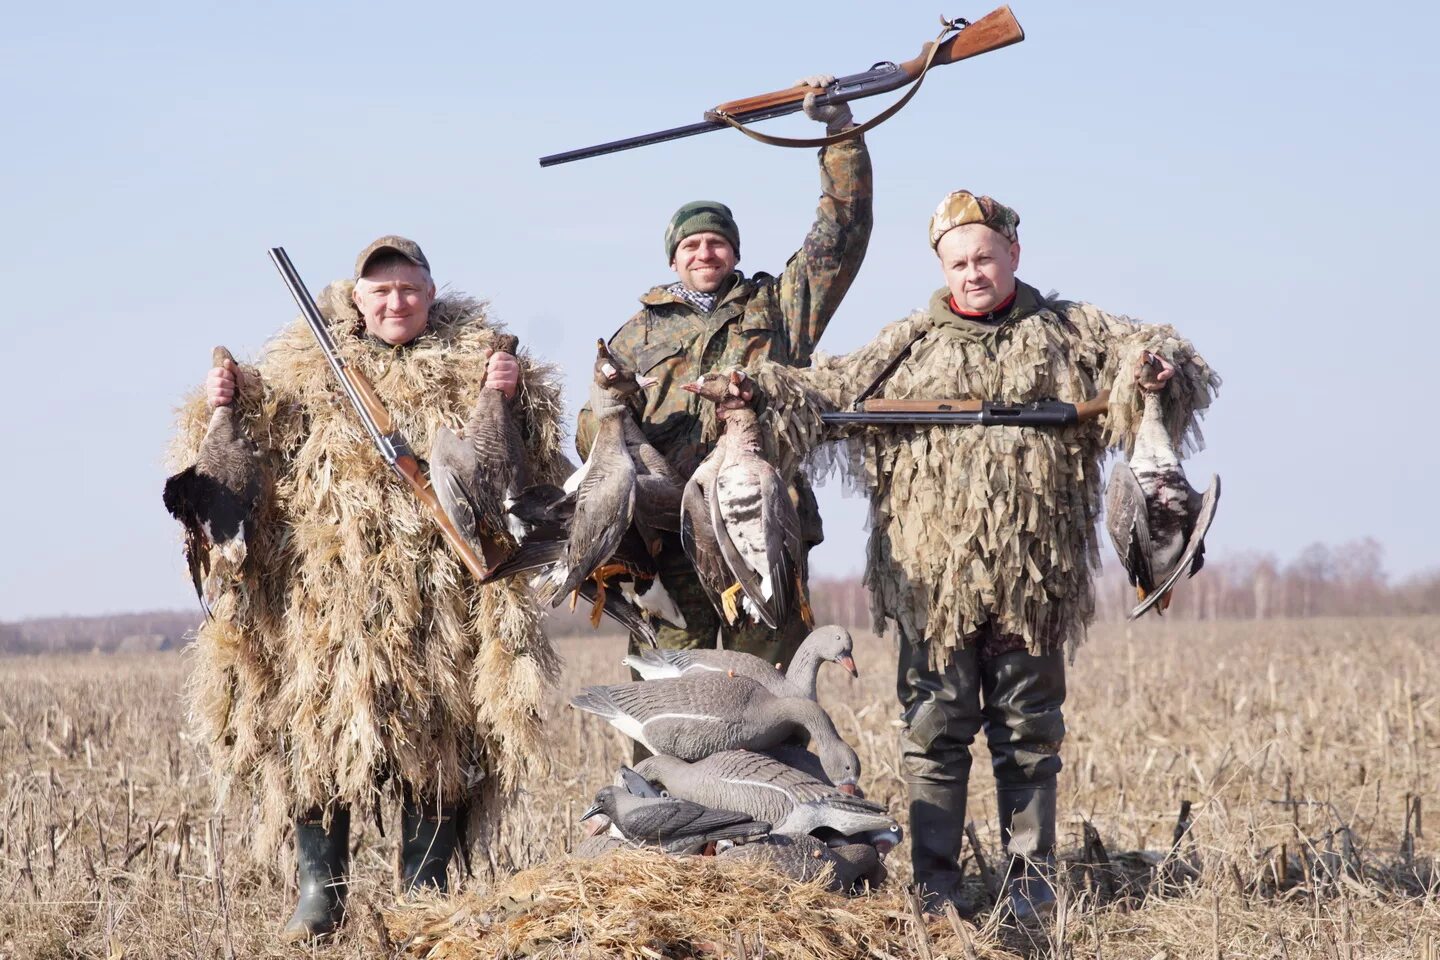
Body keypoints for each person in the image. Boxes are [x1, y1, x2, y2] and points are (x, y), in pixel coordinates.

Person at [734, 191, 1220, 920]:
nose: (972, 273)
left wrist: (1155, 369)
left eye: (985, 258)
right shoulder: (904, 345)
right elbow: (820, 393)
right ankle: (934, 884)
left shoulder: (1070, 333)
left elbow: (1164, 356)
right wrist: (756, 390)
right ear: (940, 265)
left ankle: (1030, 883)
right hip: (931, 592)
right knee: (933, 737)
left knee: (1030, 739)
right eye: (958, 262)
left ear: (1013, 255)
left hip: (1036, 587)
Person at [167, 236, 568, 941]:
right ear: (356, 298)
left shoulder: (475, 362)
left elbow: (531, 461)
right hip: (327, 591)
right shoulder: (306, 368)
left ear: (430, 294)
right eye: (380, 290)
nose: (395, 302)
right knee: (318, 742)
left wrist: (512, 391)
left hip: (440, 594)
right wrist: (220, 402)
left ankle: (425, 895)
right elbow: (242, 450)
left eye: (408, 289)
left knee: (437, 739)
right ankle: (322, 894)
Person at [575, 77, 873, 669]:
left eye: (716, 242)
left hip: (763, 531)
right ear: (673, 257)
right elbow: (591, 437)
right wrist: (613, 410)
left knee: (769, 693)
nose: (704, 253)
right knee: (671, 703)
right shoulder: (633, 335)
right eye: (691, 245)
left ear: (734, 252)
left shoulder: (780, 309)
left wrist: (841, 133)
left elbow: (840, 235)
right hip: (670, 543)